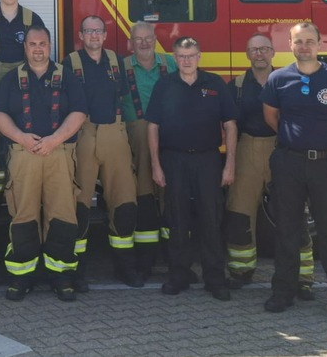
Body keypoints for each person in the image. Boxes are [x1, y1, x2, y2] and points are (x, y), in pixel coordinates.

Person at [261, 22, 327, 322]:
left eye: (309, 41)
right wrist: (294, 140)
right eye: (298, 41)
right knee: (287, 231)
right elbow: (271, 116)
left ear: (320, 44)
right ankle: (283, 293)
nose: (304, 46)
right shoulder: (278, 79)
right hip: (288, 163)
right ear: (290, 45)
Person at [0, 26, 87, 302]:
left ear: (50, 46)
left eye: (42, 43)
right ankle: (22, 277)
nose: (37, 48)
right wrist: (21, 137)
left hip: (58, 153)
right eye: (32, 44)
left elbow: (79, 112)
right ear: (25, 48)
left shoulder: (66, 77)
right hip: (23, 154)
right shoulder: (12, 79)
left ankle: (62, 276)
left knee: (62, 215)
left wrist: (54, 140)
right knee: (24, 216)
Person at [146, 36, 238, 301]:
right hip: (173, 160)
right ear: (175, 58)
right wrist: (156, 165)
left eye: (191, 55)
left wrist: (229, 164)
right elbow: (153, 126)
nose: (186, 61)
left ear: (199, 57)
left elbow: (230, 124)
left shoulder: (214, 84)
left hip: (208, 160)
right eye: (181, 56)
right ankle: (179, 275)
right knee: (177, 219)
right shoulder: (165, 85)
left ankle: (215, 278)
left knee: (211, 219)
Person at [224, 34, 315, 298]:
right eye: (254, 50)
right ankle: (241, 270)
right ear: (247, 54)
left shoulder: (289, 82)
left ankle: (303, 278)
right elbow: (229, 125)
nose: (259, 54)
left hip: (284, 149)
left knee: (293, 213)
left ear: (273, 52)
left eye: (264, 49)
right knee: (240, 213)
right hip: (247, 148)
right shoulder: (237, 86)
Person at [66, 16, 138, 291]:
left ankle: (125, 267)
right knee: (80, 204)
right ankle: (78, 271)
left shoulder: (116, 61)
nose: (94, 35)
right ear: (81, 36)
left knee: (124, 202)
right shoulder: (70, 62)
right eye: (89, 31)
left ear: (105, 35)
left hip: (114, 133)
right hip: (84, 134)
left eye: (98, 31)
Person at [121, 21, 176, 284]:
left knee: (171, 199)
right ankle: (145, 262)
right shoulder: (121, 67)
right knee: (144, 199)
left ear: (155, 39)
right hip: (137, 140)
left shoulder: (171, 64)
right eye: (138, 39)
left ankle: (174, 260)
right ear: (130, 43)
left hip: (170, 136)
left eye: (148, 38)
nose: (143, 43)